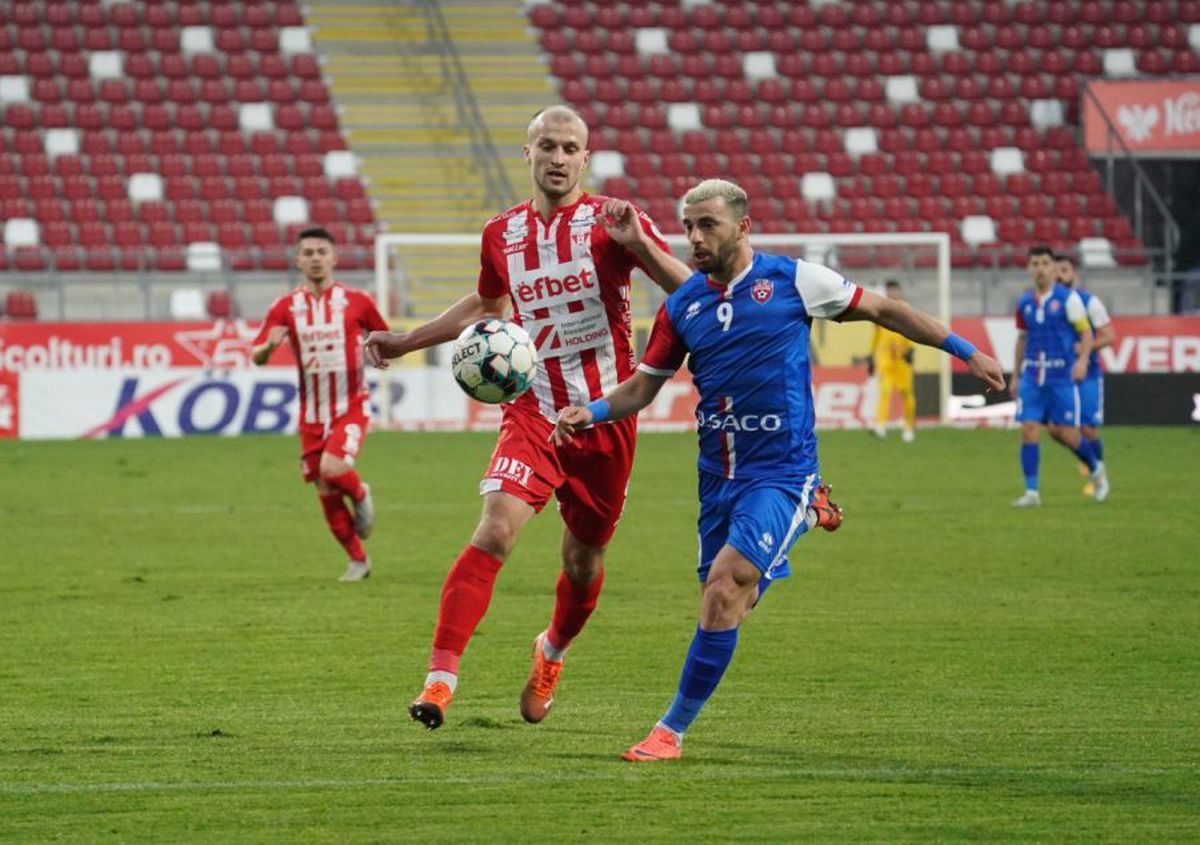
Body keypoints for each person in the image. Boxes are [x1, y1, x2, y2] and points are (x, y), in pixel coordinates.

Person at [551, 179, 1006, 762]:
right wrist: (587, 412)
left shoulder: (795, 281)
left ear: (743, 227)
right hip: (717, 476)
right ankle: (813, 514)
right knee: (729, 600)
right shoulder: (682, 305)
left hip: (782, 470)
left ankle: (670, 731)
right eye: (688, 226)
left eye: (706, 225)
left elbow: (886, 311)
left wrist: (968, 352)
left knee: (724, 587)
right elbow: (643, 387)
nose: (694, 237)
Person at [363, 105, 690, 730]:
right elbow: (489, 303)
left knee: (582, 560)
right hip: (534, 408)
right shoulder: (502, 233)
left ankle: (551, 653)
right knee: (495, 530)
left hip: (603, 416)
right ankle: (439, 680)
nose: (559, 158)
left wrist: (641, 244)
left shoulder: (613, 221)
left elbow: (688, 291)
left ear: (586, 158)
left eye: (571, 148)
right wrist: (407, 341)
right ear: (528, 153)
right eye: (548, 146)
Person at [252, 226, 388, 582]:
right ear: (298, 260)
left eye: (320, 252)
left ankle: (361, 494)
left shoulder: (358, 301)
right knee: (325, 489)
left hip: (351, 405)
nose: (315, 258)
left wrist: (381, 351)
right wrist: (269, 346)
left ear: (333, 258)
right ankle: (358, 561)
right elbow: (257, 356)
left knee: (332, 469)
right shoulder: (284, 307)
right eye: (308, 253)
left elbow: (384, 336)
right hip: (311, 414)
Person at [1008, 246, 1109, 507]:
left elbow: (1086, 333)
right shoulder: (1024, 302)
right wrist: (1016, 375)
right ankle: (1032, 493)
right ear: (1029, 268)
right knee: (1029, 429)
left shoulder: (1069, 299)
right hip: (1032, 375)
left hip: (1061, 377)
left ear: (1052, 268)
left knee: (1065, 434)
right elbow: (1022, 338)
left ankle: (1096, 468)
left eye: (1044, 263)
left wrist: (1083, 360)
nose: (1040, 268)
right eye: (1035, 263)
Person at [1056, 253, 1116, 495]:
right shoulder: (1049, 302)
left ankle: (1098, 476)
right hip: (1059, 376)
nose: (1060, 275)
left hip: (1087, 373)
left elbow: (1109, 335)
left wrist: (1084, 348)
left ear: (1074, 274)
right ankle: (1090, 468)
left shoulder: (1089, 302)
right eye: (1057, 270)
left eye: (1065, 270)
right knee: (1060, 429)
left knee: (1088, 428)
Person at [865, 279, 917, 441]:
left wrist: (911, 349)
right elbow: (876, 335)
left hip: (902, 359)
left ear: (899, 291)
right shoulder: (880, 309)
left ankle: (908, 428)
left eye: (894, 290)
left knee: (906, 393)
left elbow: (915, 329)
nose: (892, 293)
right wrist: (871, 356)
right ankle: (880, 425)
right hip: (885, 359)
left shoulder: (905, 309)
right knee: (885, 391)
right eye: (889, 290)